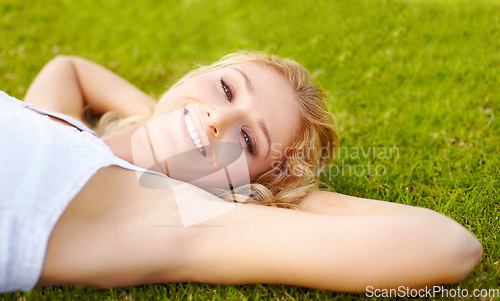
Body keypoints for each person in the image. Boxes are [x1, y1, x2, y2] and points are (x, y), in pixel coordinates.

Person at [0, 51, 482, 293]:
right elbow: (69, 68)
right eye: (227, 90)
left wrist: (277, 192)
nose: (217, 118)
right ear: (197, 74)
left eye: (248, 141)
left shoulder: (173, 216)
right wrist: (155, 121)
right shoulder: (57, 120)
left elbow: (450, 246)